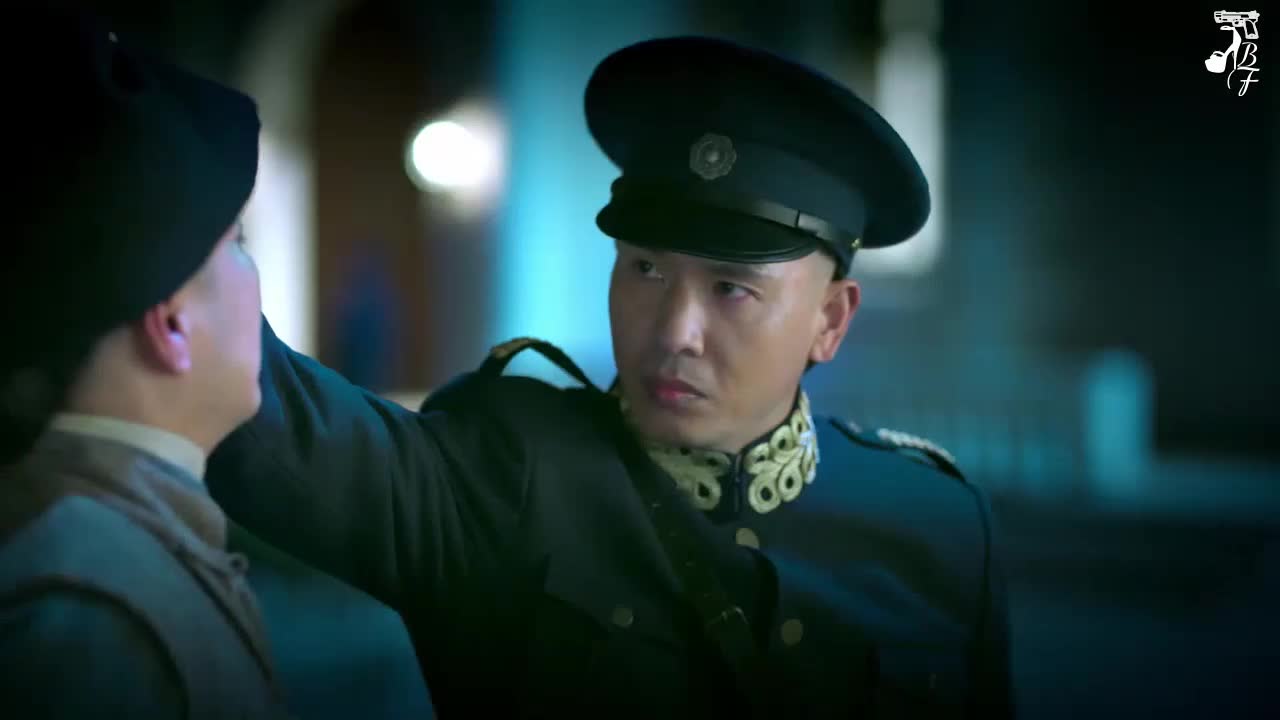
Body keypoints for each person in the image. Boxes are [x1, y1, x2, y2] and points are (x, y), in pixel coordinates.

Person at [207, 36, 1014, 718]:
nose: (674, 333)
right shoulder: (501, 478)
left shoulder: (937, 527)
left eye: (731, 289)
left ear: (831, 320)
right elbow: (262, 412)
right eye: (645, 269)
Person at [0, 6, 289, 718]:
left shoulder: (108, 561)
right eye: (237, 242)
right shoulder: (90, 614)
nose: (255, 279)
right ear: (171, 323)